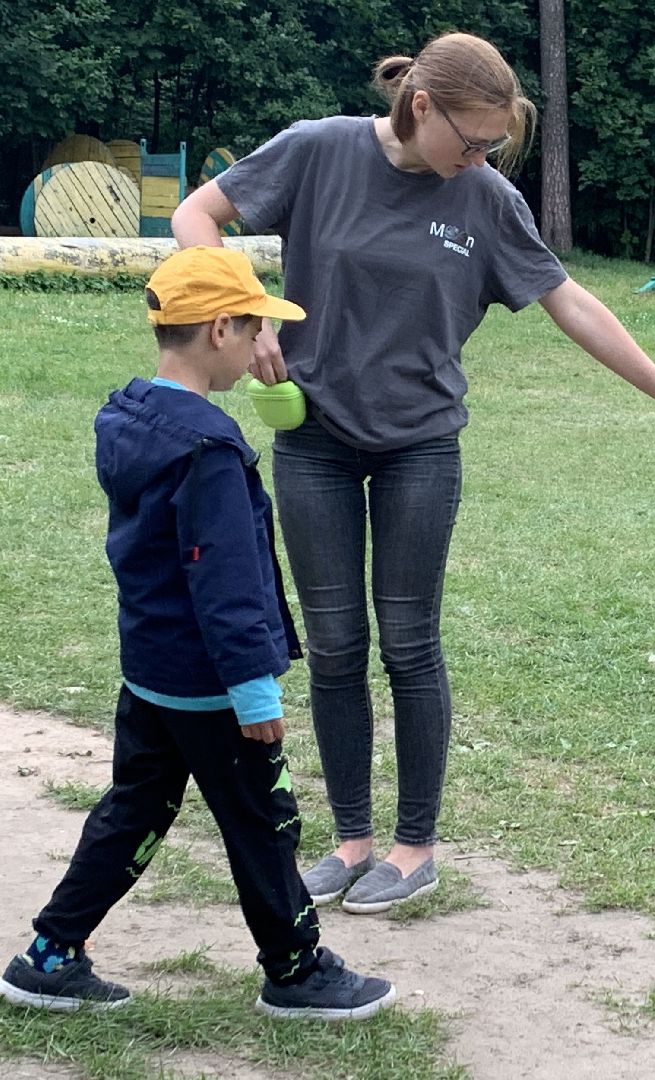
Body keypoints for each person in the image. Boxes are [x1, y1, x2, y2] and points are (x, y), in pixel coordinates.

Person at [171, 31, 655, 915]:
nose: (478, 160)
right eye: (470, 142)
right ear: (420, 106)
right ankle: (351, 841)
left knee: (409, 643)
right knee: (335, 646)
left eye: (492, 147)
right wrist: (247, 308)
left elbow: (570, 303)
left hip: (420, 446)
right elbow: (195, 216)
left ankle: (413, 848)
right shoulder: (318, 150)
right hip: (313, 439)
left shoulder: (485, 198)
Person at [0, 247, 395, 1020]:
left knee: (136, 808)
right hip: (213, 685)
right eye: (254, 331)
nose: (259, 347)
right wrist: (253, 690)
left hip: (152, 669)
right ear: (220, 330)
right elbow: (224, 578)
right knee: (263, 821)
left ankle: (49, 957)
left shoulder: (129, 416)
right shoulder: (208, 448)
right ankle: (296, 972)